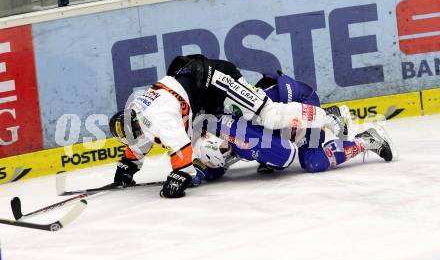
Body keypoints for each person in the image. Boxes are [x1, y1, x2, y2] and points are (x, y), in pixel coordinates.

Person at [109, 54, 347, 198]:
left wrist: (179, 176)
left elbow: (181, 153)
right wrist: (127, 166)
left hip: (219, 80)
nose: (137, 135)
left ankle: (328, 116)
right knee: (237, 128)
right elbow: (140, 142)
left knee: (271, 115)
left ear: (136, 120)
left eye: (134, 131)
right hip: (206, 95)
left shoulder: (156, 118)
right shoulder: (140, 113)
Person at [191, 73, 394, 185]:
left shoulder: (237, 118)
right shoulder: (211, 131)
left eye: (225, 150)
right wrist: (194, 174)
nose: (228, 155)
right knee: (298, 159)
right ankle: (365, 136)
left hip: (299, 103)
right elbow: (212, 167)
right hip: (280, 121)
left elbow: (286, 150)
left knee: (311, 160)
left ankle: (352, 130)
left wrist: (315, 117)